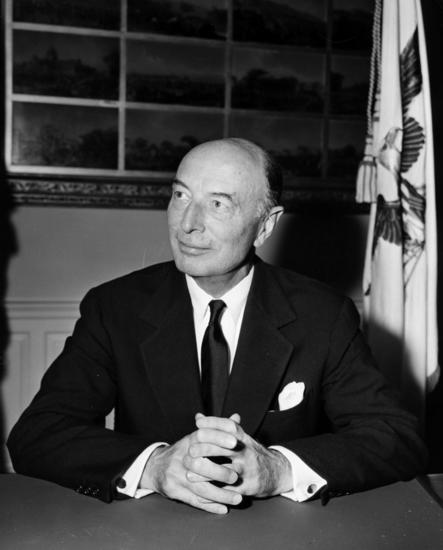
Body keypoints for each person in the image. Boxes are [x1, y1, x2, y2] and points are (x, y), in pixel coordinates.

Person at [8, 138, 426, 514]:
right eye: (180, 195)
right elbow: (37, 434)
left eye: (218, 204)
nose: (187, 223)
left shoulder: (324, 315)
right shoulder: (115, 307)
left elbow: (396, 436)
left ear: (265, 226)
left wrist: (278, 470)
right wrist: (155, 466)